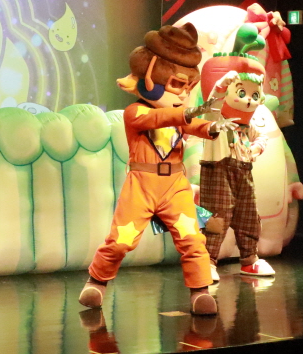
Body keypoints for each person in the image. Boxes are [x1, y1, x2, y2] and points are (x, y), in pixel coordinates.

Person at [78, 23, 236, 316]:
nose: (183, 94)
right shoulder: (136, 112)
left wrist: (213, 127)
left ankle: (200, 291)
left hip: (174, 185)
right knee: (122, 240)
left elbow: (194, 124)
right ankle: (97, 281)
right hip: (142, 184)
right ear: (150, 78)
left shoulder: (178, 115)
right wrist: (188, 113)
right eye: (177, 84)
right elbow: (159, 119)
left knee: (192, 238)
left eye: (188, 87)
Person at [197, 24, 276, 282]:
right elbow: (212, 105)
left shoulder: (246, 126)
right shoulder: (216, 118)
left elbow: (261, 136)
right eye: (242, 93)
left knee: (248, 214)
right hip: (218, 170)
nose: (249, 99)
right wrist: (221, 86)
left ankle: (249, 259)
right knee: (217, 215)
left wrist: (256, 148)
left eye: (254, 95)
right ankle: (207, 261)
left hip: (243, 171)